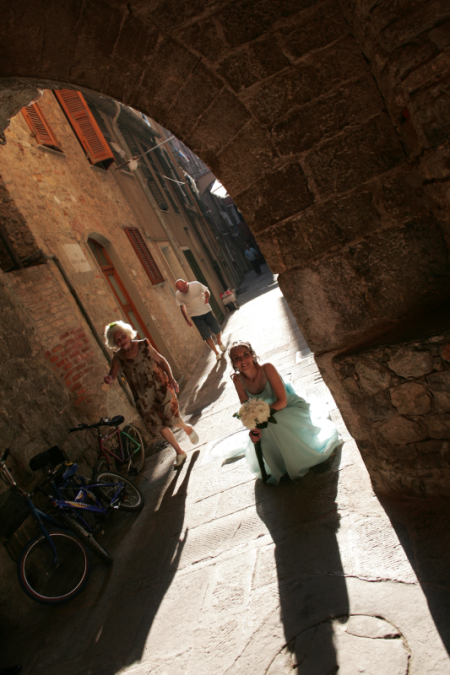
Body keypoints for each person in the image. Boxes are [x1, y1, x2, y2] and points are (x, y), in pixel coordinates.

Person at [226, 341, 341, 484]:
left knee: (277, 422)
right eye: (237, 358)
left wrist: (261, 418)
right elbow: (246, 407)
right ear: (233, 362)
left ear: (252, 355)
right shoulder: (237, 379)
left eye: (245, 355)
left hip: (288, 406)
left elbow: (282, 401)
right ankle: (280, 462)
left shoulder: (267, 368)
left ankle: (297, 460)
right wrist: (253, 427)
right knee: (264, 430)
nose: (242, 360)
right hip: (266, 413)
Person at [103, 320, 199, 467]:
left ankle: (186, 428)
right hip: (142, 396)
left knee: (171, 418)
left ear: (128, 334)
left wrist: (172, 378)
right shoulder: (118, 357)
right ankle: (179, 452)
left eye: (123, 336)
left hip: (160, 386)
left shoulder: (143, 344)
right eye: (118, 340)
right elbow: (113, 375)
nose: (122, 341)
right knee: (158, 425)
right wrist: (109, 379)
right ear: (114, 342)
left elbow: (161, 360)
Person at [175, 279, 226, 361]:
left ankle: (219, 342)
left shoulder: (196, 284)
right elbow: (182, 307)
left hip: (206, 311)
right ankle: (216, 352)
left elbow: (206, 291)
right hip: (195, 316)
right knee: (206, 336)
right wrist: (187, 319)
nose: (184, 291)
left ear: (185, 283)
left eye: (184, 288)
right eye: (181, 290)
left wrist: (207, 297)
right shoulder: (178, 295)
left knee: (217, 329)